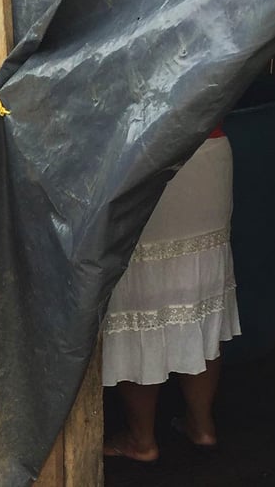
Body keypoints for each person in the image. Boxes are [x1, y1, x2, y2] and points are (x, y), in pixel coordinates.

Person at [101, 127, 242, 463]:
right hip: (208, 151)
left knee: (140, 295)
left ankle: (141, 439)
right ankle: (201, 425)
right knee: (198, 297)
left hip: (140, 154)